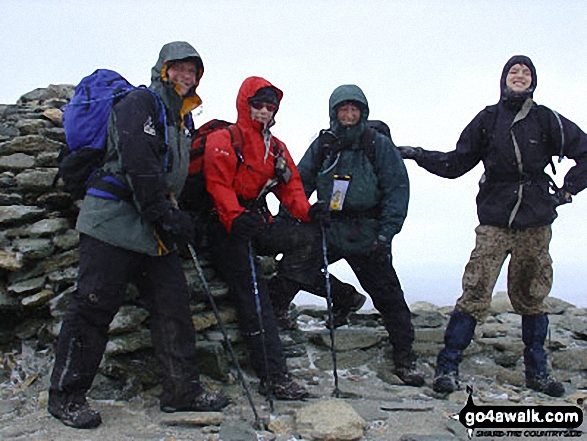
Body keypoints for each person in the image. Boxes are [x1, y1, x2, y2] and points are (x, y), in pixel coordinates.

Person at [48, 41, 229, 429]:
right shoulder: (141, 104)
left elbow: (173, 175)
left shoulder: (182, 118)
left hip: (151, 231)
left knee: (173, 307)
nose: (186, 76)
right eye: (178, 68)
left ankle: (182, 392)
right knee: (93, 307)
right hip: (111, 223)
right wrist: (164, 215)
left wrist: (183, 216)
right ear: (163, 69)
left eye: (192, 71)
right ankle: (66, 396)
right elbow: (138, 162)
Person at [398, 55, 587, 397]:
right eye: (513, 71)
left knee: (532, 295)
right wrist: (417, 154)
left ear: (533, 82)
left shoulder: (548, 120)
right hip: (494, 220)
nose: (519, 75)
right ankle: (448, 367)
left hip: (536, 221)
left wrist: (568, 189)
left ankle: (538, 372)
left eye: (525, 72)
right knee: (476, 290)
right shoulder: (488, 119)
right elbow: (456, 163)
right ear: (503, 79)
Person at [271, 84, 425, 387]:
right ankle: (293, 313)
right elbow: (299, 184)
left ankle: (404, 359)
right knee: (292, 270)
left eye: (354, 110)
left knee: (389, 297)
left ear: (363, 112)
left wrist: (386, 235)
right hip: (329, 226)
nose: (349, 115)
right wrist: (286, 221)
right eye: (343, 110)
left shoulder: (377, 144)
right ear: (334, 113)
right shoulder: (325, 144)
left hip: (367, 232)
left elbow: (397, 190)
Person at [203, 76, 329, 400]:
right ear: (245, 104)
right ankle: (274, 377)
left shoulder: (276, 148)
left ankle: (276, 299)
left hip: (256, 221)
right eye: (257, 104)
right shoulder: (223, 139)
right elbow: (217, 184)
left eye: (270, 106)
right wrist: (233, 217)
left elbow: (292, 189)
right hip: (223, 226)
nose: (263, 111)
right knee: (250, 294)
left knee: (309, 238)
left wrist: (309, 213)